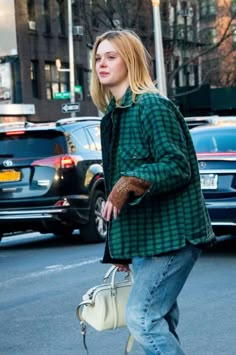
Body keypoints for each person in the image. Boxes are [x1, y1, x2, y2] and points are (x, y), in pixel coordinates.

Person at [90, 29, 215, 355]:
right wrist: (120, 250)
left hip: (175, 234)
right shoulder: (113, 115)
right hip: (148, 238)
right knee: (158, 321)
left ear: (129, 60)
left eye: (111, 56)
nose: (102, 63)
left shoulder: (152, 107)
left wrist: (129, 182)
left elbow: (177, 166)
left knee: (143, 318)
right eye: (98, 57)